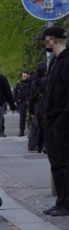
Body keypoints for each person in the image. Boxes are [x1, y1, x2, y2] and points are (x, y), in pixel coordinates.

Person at [38, 26, 69, 217]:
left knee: (65, 162)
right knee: (55, 162)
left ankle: (67, 202)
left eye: (45, 40)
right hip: (51, 120)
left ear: (53, 40)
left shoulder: (66, 62)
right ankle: (61, 200)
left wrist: (62, 117)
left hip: (62, 121)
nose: (44, 44)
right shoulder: (55, 62)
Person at [27, 62, 47, 153]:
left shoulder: (34, 82)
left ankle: (32, 145)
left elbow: (31, 97)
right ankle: (44, 146)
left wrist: (30, 110)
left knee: (35, 126)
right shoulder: (48, 81)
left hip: (37, 107)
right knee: (46, 126)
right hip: (46, 106)